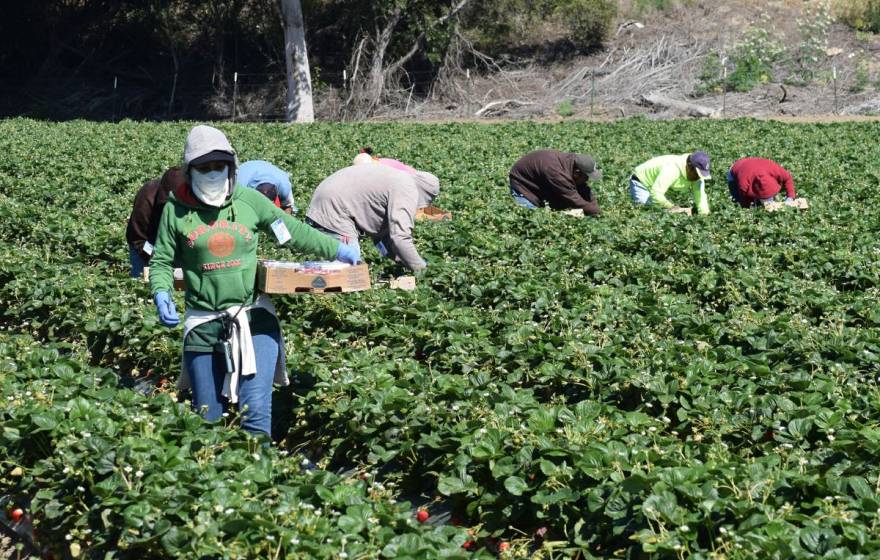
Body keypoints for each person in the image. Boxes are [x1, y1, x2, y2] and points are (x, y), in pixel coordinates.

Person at [149, 125, 359, 438]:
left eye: (218, 166)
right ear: (189, 170)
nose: (212, 173)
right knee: (207, 418)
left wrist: (338, 249)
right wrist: (161, 292)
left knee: (254, 412)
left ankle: (260, 472)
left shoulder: (249, 201)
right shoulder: (176, 211)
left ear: (230, 167)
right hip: (203, 320)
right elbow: (162, 261)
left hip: (252, 316)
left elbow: (294, 233)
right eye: (204, 168)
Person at [305, 163, 439, 272]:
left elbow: (383, 239)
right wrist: (421, 269)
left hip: (324, 201)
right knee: (347, 273)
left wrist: (405, 260)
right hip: (334, 209)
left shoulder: (396, 179)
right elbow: (400, 238)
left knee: (332, 271)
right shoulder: (407, 188)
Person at [125, 167, 184, 278]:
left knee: (182, 280)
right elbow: (138, 239)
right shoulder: (147, 199)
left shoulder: (194, 198)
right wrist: (157, 259)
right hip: (147, 241)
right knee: (143, 278)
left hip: (180, 242)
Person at [507, 149, 602, 215]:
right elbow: (575, 200)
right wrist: (597, 213)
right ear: (577, 173)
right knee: (531, 218)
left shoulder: (572, 162)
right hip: (522, 184)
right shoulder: (557, 174)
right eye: (586, 177)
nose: (587, 180)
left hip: (540, 180)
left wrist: (594, 205)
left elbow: (583, 188)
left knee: (565, 207)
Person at [629, 152, 712, 215]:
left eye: (701, 175)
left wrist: (704, 217)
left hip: (660, 186)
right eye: (697, 174)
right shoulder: (672, 169)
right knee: (648, 211)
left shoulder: (697, 176)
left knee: (667, 211)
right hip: (642, 183)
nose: (698, 177)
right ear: (689, 166)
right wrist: (672, 207)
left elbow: (700, 197)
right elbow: (656, 193)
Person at [727, 157, 797, 208]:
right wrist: (750, 208)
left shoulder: (775, 170)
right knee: (737, 199)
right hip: (736, 169)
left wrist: (790, 197)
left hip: (756, 164)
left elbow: (788, 178)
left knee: (762, 204)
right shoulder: (743, 185)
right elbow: (744, 203)